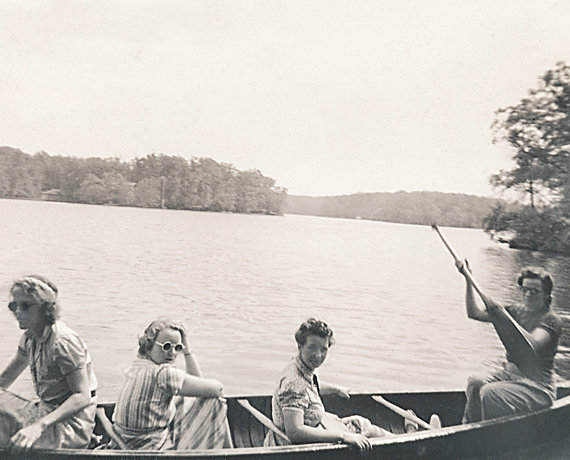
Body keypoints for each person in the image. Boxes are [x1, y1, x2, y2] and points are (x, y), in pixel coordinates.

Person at [264, 318, 439, 450]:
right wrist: (343, 436)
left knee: (360, 423)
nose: (318, 355)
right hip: (298, 447)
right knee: (363, 432)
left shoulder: (300, 368)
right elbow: (295, 433)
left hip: (316, 426)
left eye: (323, 349)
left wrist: (335, 389)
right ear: (300, 346)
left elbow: (310, 388)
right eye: (312, 348)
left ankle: (408, 440)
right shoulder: (293, 383)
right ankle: (412, 443)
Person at [0, 276, 98, 449]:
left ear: (45, 308)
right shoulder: (30, 338)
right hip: (45, 412)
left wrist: (38, 427)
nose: (18, 312)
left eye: (25, 306)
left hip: (69, 425)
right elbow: (4, 382)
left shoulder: (62, 342)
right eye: (13, 306)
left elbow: (82, 396)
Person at [456, 263, 562, 423]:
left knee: (489, 393)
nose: (528, 294)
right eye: (524, 289)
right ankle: (466, 429)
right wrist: (468, 280)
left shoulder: (551, 319)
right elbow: (474, 313)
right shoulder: (515, 311)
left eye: (534, 291)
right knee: (475, 383)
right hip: (509, 377)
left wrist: (503, 317)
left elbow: (532, 344)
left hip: (538, 387)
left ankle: (487, 436)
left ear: (546, 294)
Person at [109, 318, 232, 450]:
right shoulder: (164, 374)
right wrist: (188, 352)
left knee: (188, 397)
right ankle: (231, 452)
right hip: (147, 447)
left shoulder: (135, 367)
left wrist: (186, 348)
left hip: (121, 441)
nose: (172, 353)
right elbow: (217, 388)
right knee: (215, 399)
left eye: (178, 348)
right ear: (149, 345)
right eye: (166, 346)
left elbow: (199, 386)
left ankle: (230, 452)